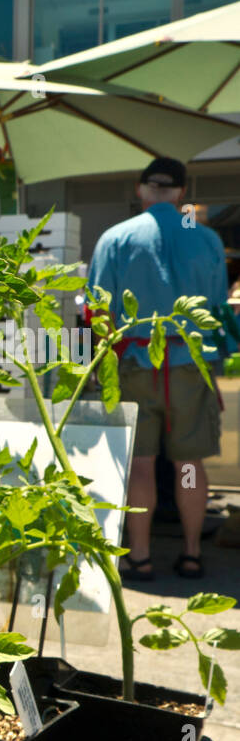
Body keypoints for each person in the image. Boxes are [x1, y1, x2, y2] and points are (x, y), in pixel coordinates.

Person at [87, 157, 234, 581]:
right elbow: (219, 310)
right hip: (191, 365)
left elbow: (99, 312)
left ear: (141, 189)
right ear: (182, 193)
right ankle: (191, 553)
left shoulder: (116, 237)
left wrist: (101, 365)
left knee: (142, 465)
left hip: (134, 363)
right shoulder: (205, 239)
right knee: (188, 465)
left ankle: (141, 557)